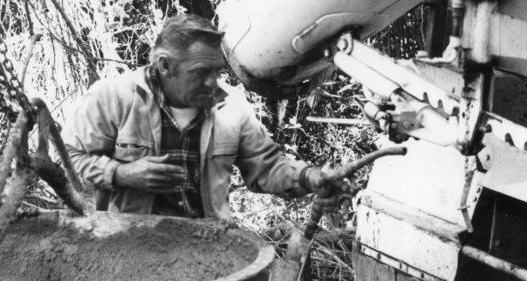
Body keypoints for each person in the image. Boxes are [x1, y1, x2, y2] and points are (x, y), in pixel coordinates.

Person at [62, 13, 336, 219]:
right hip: (130, 245)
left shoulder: (230, 106)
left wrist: (309, 177)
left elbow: (266, 167)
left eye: (217, 71)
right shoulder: (114, 97)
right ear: (165, 66)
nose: (212, 82)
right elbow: (68, 158)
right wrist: (121, 174)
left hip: (206, 245)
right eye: (200, 72)